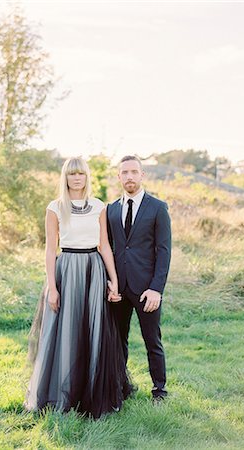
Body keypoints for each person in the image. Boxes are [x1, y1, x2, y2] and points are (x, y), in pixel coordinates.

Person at [24, 156, 131, 419]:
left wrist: (114, 279)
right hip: (67, 269)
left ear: (86, 177)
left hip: (94, 269)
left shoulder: (98, 206)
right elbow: (50, 249)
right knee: (67, 331)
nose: (76, 178)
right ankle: (63, 393)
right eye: (72, 174)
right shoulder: (56, 207)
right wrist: (52, 286)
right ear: (66, 178)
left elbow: (105, 245)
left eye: (81, 174)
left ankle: (92, 392)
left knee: (93, 330)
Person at [107, 155, 171, 403]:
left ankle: (159, 391)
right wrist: (109, 283)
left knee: (152, 340)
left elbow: (163, 251)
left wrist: (156, 288)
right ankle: (120, 388)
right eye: (124, 172)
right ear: (119, 177)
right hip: (118, 289)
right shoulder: (111, 210)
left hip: (146, 289)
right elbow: (109, 248)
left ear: (143, 175)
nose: (129, 176)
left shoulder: (157, 208)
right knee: (117, 342)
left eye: (134, 171)